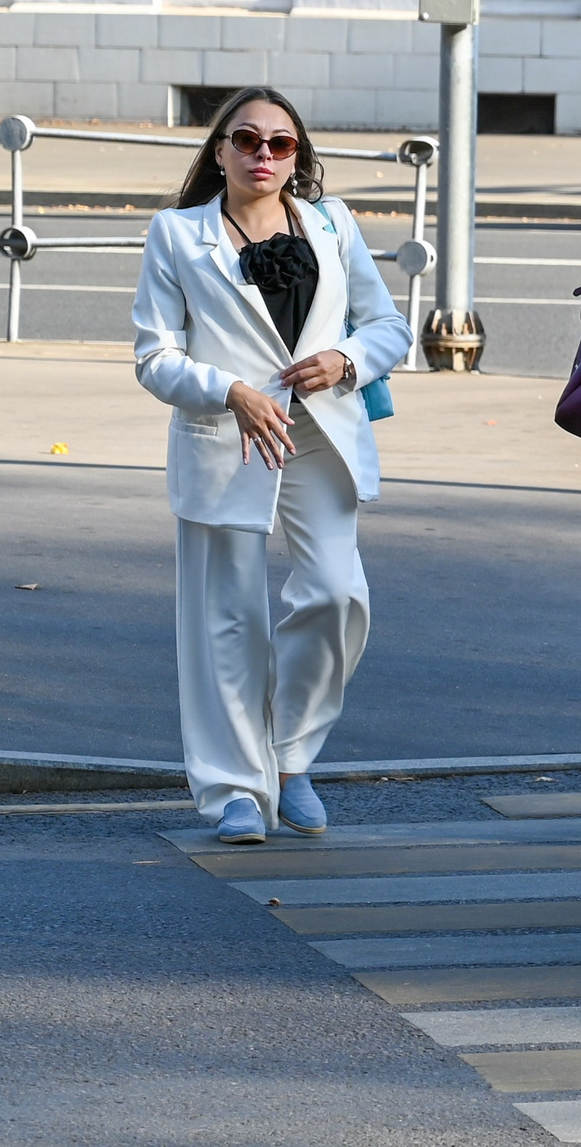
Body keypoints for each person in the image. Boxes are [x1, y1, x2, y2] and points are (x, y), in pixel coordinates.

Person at [133, 89, 413, 844]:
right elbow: (154, 357)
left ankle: (290, 757)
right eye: (246, 139)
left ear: (298, 156)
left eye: (280, 144)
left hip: (321, 428)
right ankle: (233, 791)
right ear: (219, 150)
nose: (263, 154)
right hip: (227, 437)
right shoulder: (177, 233)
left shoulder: (334, 223)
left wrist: (345, 358)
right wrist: (229, 391)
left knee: (335, 594)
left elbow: (390, 326)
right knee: (226, 618)